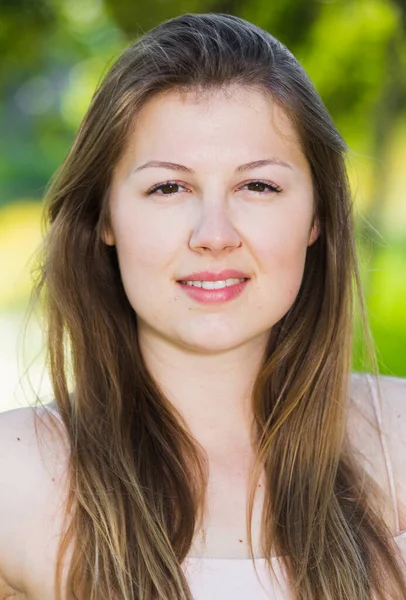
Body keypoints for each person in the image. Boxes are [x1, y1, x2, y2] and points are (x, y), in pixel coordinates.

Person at [0, 11, 405, 600]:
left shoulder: (400, 440)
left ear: (317, 216)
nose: (214, 234)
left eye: (257, 186)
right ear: (105, 216)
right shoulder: (16, 480)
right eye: (169, 187)